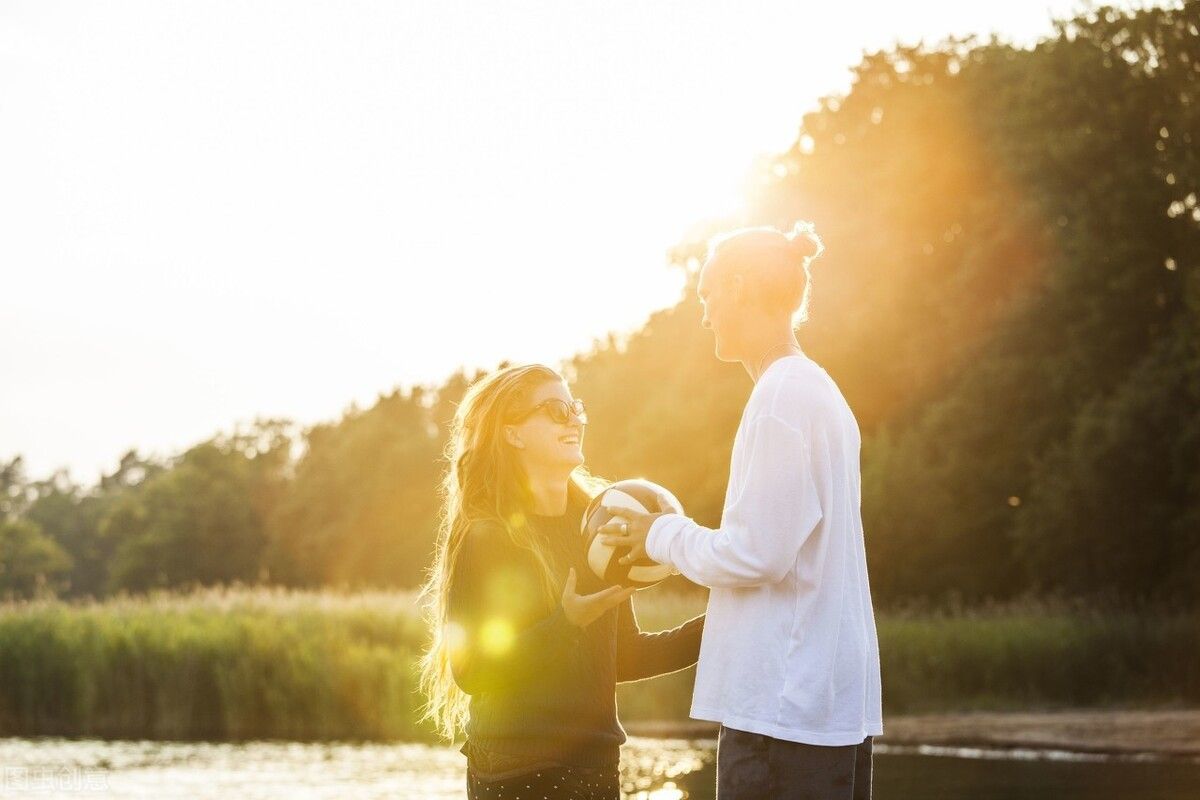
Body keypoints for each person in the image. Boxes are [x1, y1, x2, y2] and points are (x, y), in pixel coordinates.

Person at [600, 223, 883, 800]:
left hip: (783, 713)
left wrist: (659, 534)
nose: (704, 315)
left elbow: (755, 554)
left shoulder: (780, 398)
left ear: (740, 287)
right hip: (819, 709)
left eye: (707, 296)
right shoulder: (817, 392)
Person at [419, 363, 705, 800]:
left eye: (576, 409)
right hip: (515, 776)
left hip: (596, 771)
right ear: (513, 433)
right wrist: (565, 623)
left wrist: (719, 625)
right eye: (556, 410)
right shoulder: (488, 536)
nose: (574, 420)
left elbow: (624, 658)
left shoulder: (598, 528)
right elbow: (472, 671)